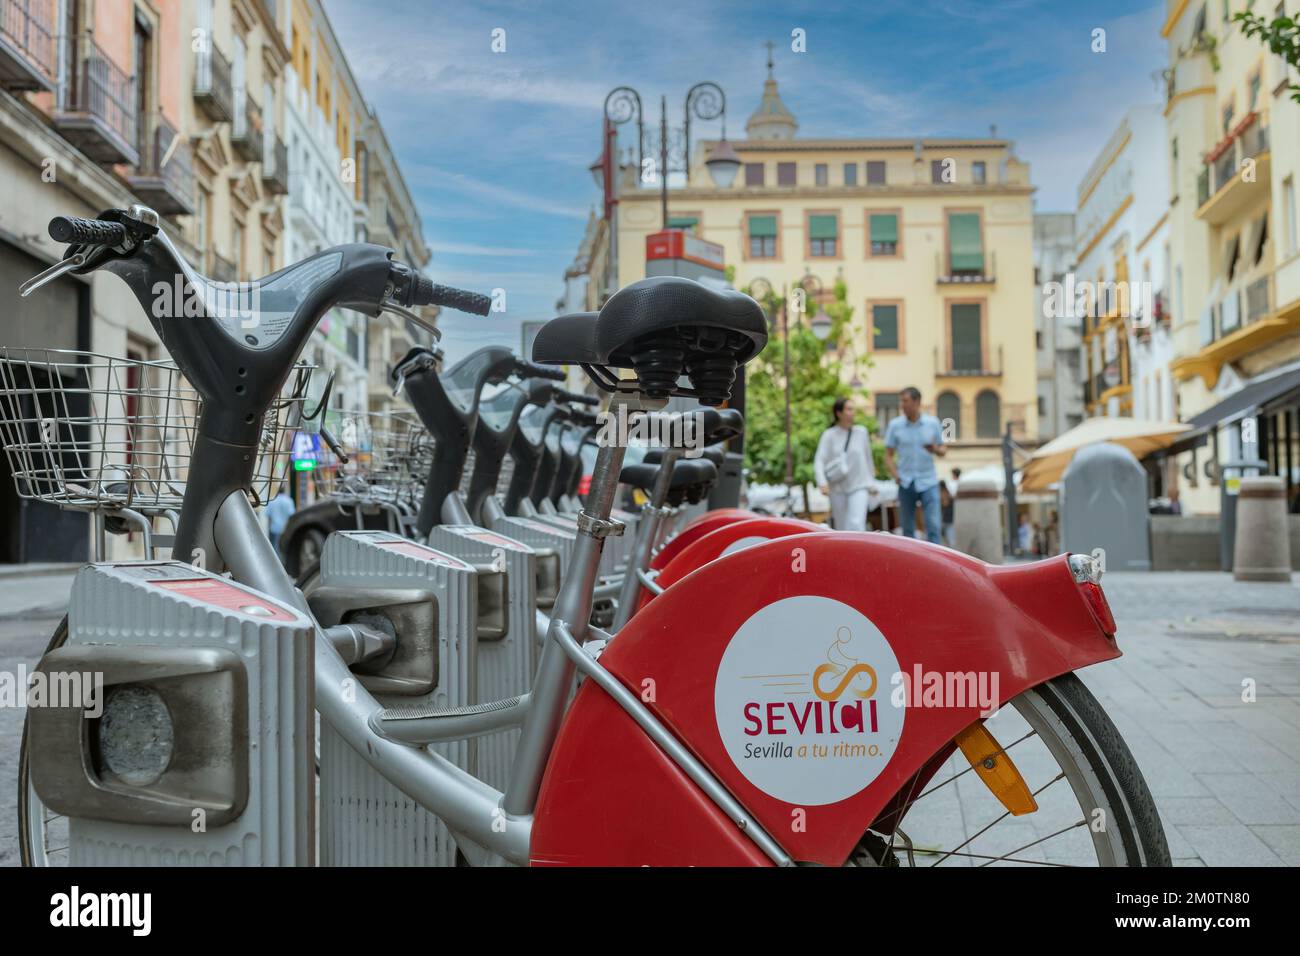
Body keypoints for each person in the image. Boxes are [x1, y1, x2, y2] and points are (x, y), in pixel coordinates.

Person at [884, 387, 946, 543]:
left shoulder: (933, 423)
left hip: (929, 481)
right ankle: (911, 564)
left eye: (905, 401)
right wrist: (896, 475)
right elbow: (888, 456)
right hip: (905, 482)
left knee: (933, 525)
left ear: (917, 402)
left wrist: (935, 449)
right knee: (907, 529)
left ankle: (935, 563)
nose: (902, 405)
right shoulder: (895, 425)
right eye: (901, 401)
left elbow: (943, 450)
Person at [815, 396, 873, 531]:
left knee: (856, 523)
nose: (853, 412)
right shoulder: (829, 435)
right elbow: (819, 460)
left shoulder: (861, 432)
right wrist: (822, 482)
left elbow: (868, 458)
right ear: (839, 413)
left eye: (853, 409)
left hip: (859, 486)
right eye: (849, 409)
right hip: (837, 489)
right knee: (842, 526)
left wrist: (871, 482)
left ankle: (859, 551)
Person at [265, 483, 296, 555]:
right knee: (284, 549)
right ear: (284, 491)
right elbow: (291, 516)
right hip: (285, 529)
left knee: (274, 549)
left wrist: (270, 527)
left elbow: (268, 516)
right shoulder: (289, 501)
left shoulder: (272, 500)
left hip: (274, 529)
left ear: (277, 491)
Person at [941, 466, 962, 546]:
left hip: (950, 510)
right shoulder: (960, 483)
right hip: (953, 511)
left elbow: (950, 497)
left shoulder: (952, 484)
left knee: (950, 532)